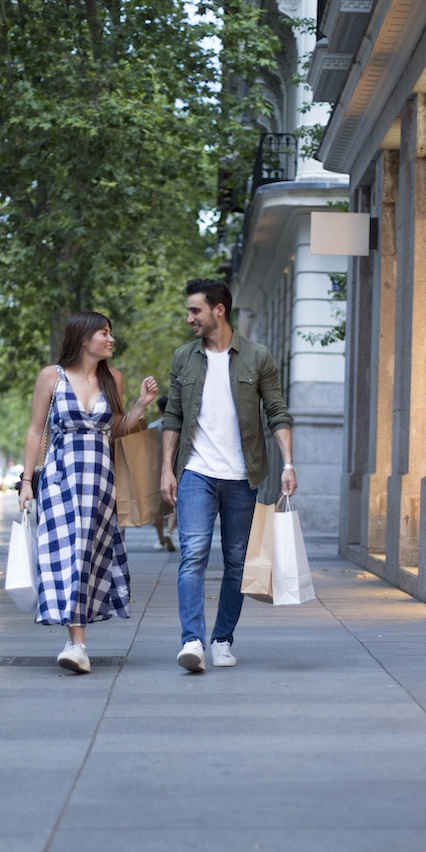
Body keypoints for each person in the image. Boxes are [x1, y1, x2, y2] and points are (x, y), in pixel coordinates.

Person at [160, 279, 295, 673]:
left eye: (195, 311)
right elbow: (174, 418)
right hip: (196, 472)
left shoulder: (258, 357)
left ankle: (222, 639)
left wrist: (288, 464)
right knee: (193, 557)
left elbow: (278, 412)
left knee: (237, 561)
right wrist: (167, 469)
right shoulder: (184, 358)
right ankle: (192, 640)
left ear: (219, 310)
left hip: (242, 476)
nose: (189, 319)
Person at [18, 311, 159, 674]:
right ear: (84, 338)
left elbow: (117, 430)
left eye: (111, 333)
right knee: (68, 554)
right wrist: (27, 481)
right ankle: (76, 642)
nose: (111, 339)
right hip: (60, 481)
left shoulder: (114, 378)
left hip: (100, 484)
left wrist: (141, 405)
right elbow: (35, 432)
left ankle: (76, 639)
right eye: (104, 333)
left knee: (91, 557)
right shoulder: (52, 376)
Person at [147, 396, 177, 552]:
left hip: (155, 469)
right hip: (174, 467)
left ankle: (160, 539)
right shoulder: (178, 426)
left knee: (157, 506)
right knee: (174, 501)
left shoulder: (152, 427)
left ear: (158, 410)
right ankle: (169, 532)